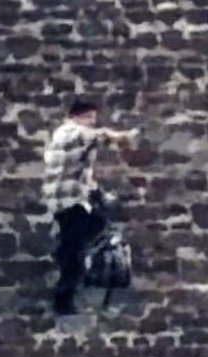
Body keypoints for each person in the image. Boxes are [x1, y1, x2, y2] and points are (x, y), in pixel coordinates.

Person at [43, 99, 139, 315]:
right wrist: (123, 137)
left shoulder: (64, 138)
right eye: (90, 119)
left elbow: (76, 171)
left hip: (67, 201)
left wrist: (97, 192)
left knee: (96, 224)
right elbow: (98, 134)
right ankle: (64, 301)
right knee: (75, 252)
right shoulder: (71, 132)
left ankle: (67, 253)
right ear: (79, 116)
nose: (91, 124)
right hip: (69, 203)